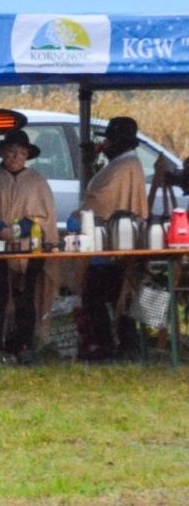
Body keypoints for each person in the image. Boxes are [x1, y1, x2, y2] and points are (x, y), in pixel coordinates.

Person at [77, 116, 148, 360]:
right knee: (118, 294)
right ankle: (124, 344)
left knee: (98, 294)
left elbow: (101, 200)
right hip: (118, 240)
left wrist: (81, 213)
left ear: (119, 142)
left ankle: (109, 345)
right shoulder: (125, 164)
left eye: (109, 140)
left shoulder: (123, 167)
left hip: (112, 243)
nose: (105, 144)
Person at [0, 129, 56, 364]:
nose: (16, 156)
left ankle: (23, 345)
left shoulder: (36, 181)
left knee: (26, 298)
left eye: (21, 152)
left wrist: (17, 231)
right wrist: (0, 230)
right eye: (11, 151)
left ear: (27, 155)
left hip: (30, 249)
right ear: (2, 153)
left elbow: (43, 216)